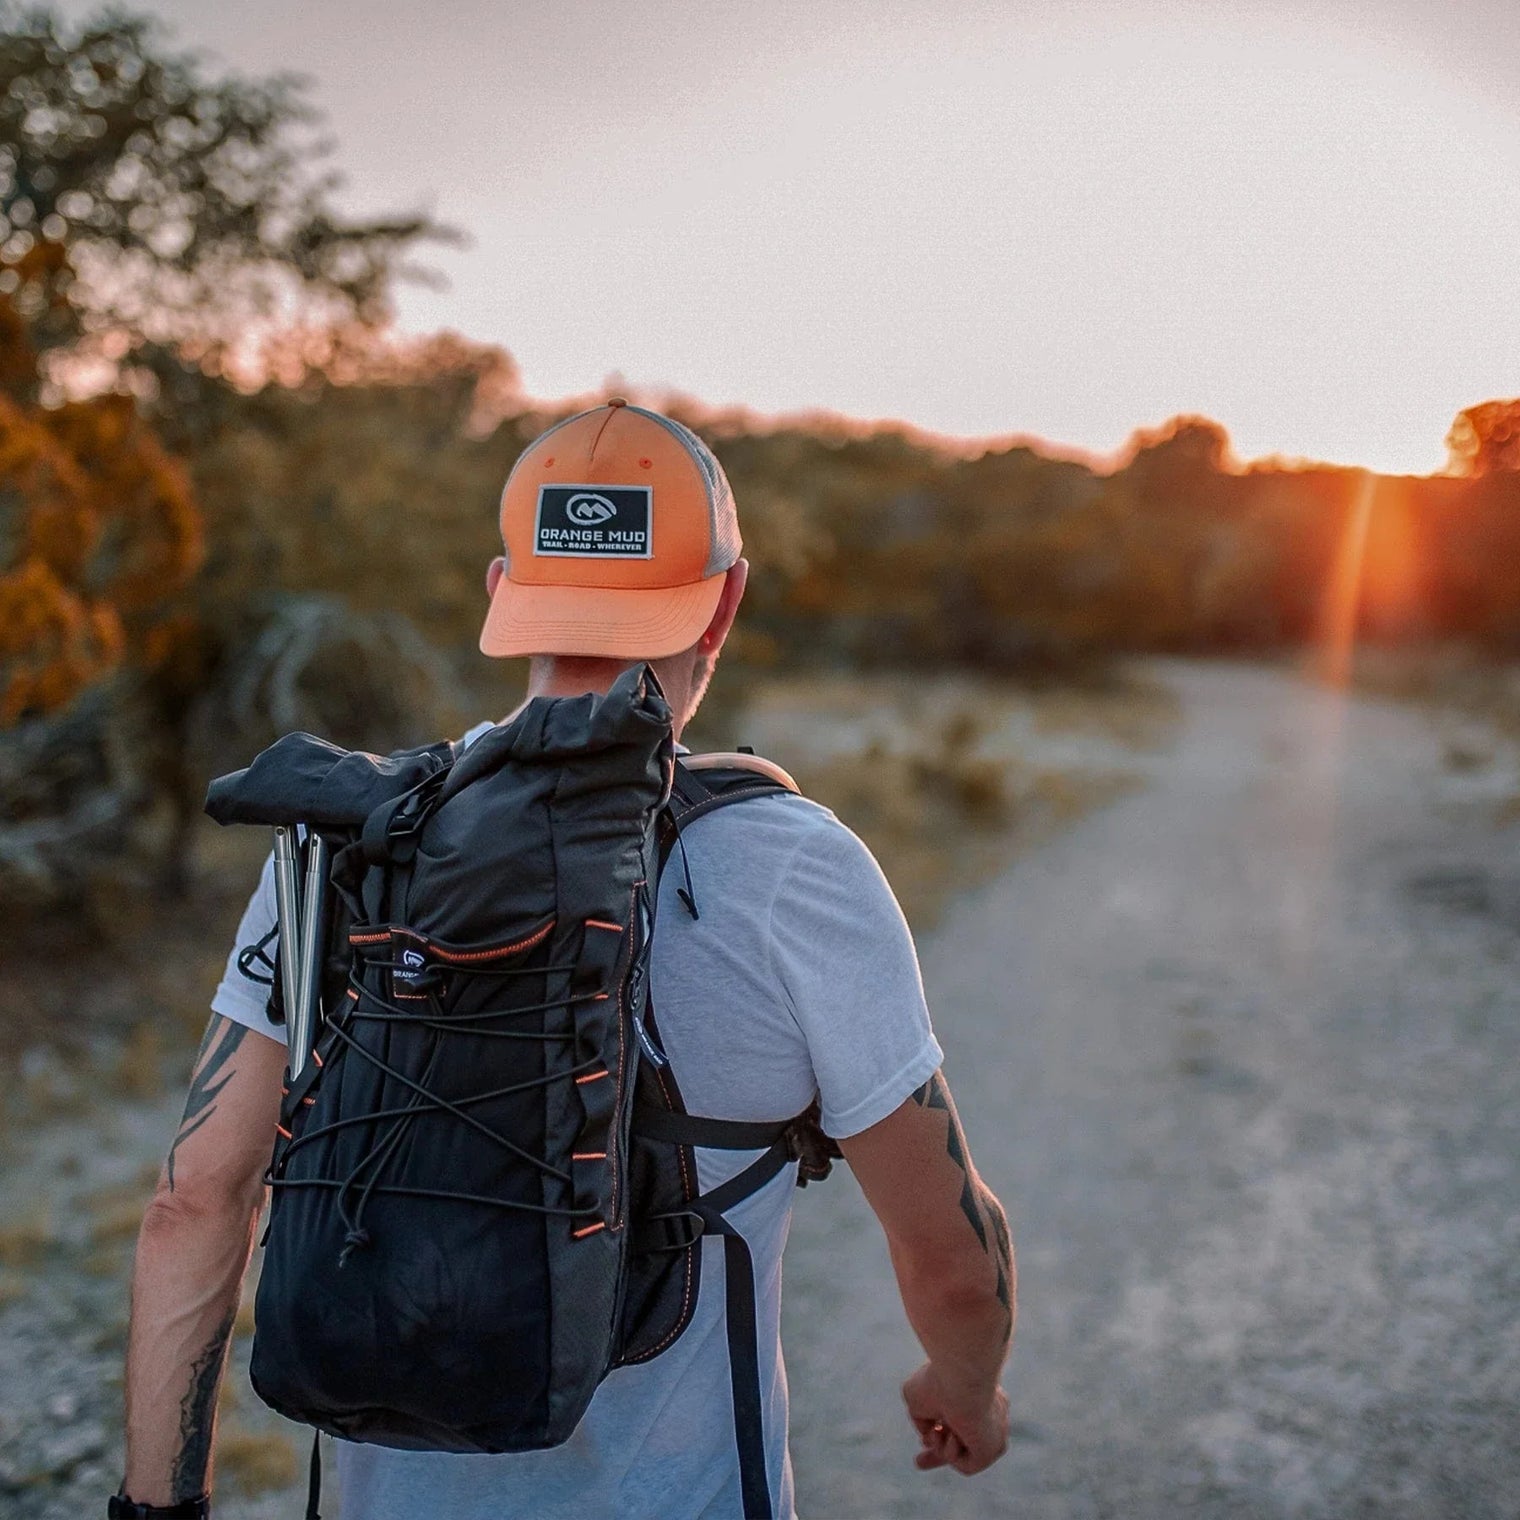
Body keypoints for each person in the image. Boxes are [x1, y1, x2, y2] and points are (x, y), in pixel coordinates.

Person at [118, 399, 1014, 1519]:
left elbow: (195, 1199)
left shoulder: (349, 836)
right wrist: (962, 1384)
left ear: (504, 592)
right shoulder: (794, 869)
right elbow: (946, 1250)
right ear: (722, 604)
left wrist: (156, 1508)